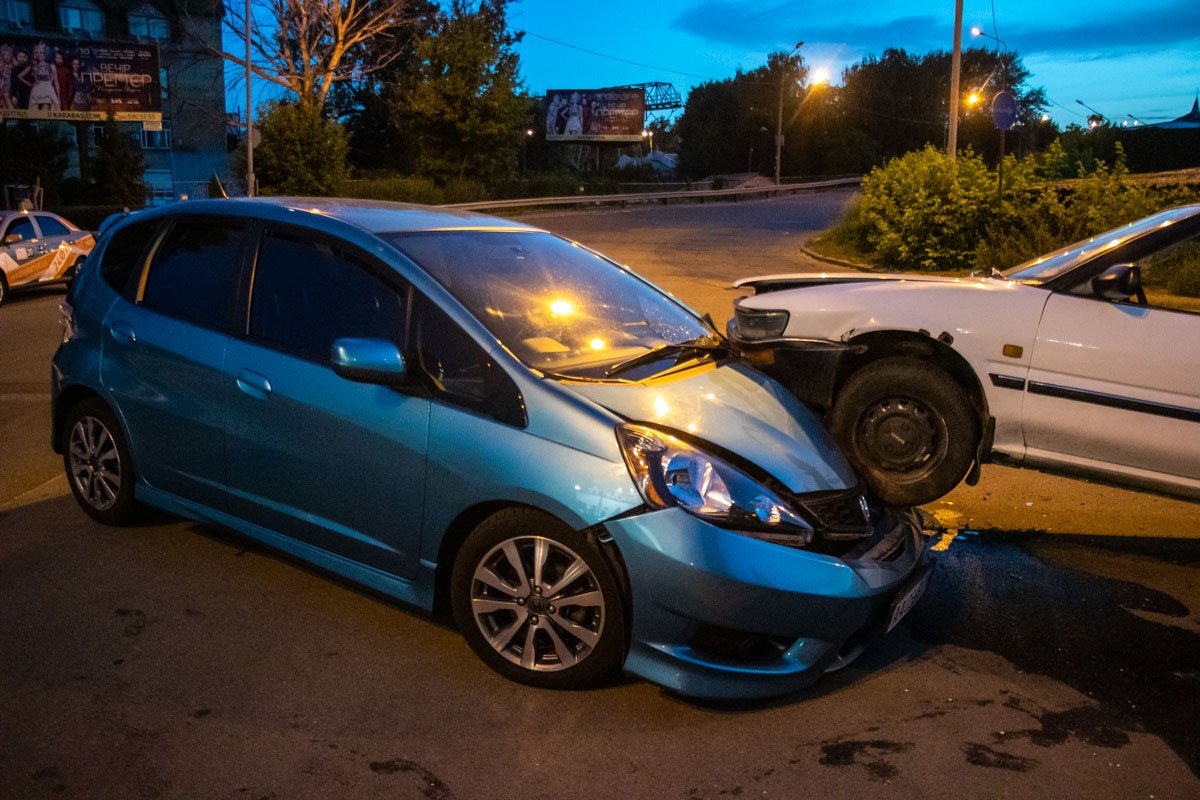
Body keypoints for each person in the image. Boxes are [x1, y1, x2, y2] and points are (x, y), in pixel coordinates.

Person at [22, 41, 60, 111]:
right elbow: (19, 76)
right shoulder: (33, 66)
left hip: (48, 90)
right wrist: (30, 85)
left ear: (45, 54)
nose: (39, 54)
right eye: (37, 52)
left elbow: (56, 83)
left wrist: (58, 97)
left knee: (47, 110)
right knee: (34, 112)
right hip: (36, 90)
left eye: (41, 52)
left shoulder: (52, 66)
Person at [0, 45, 15, 110]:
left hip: (9, 86)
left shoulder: (12, 66)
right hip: (1, 85)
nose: (7, 57)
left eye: (9, 55)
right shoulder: (1, 65)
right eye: (5, 55)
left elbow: (16, 63)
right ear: (2, 56)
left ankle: (13, 116)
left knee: (7, 98)